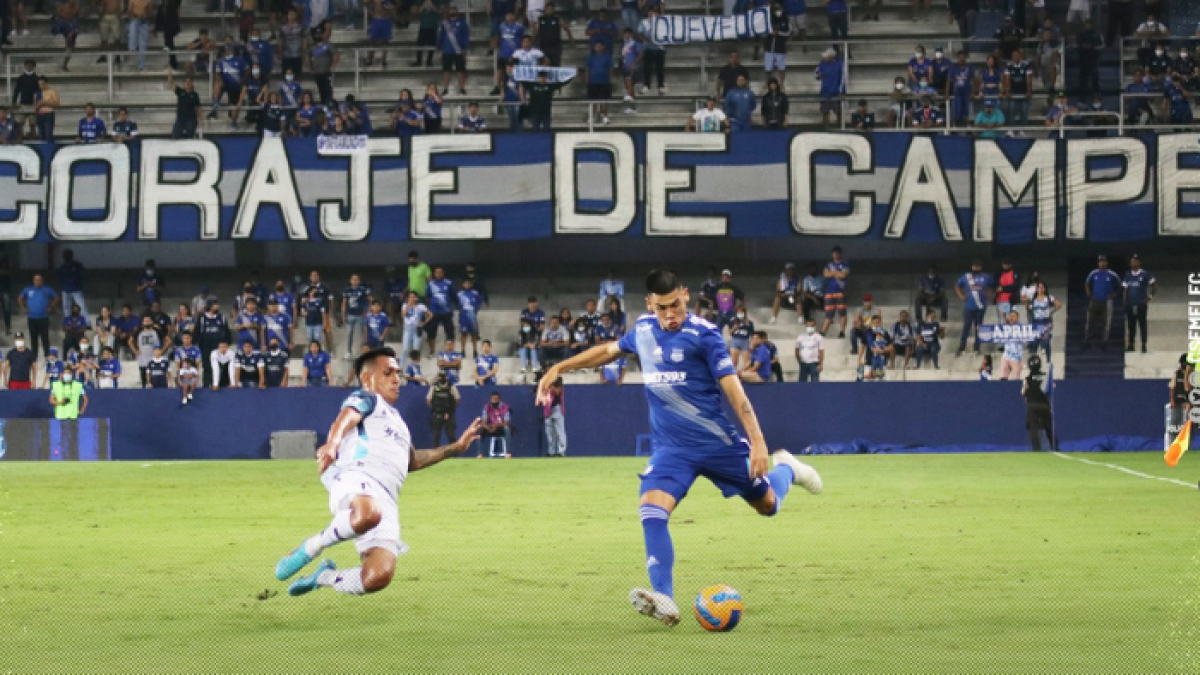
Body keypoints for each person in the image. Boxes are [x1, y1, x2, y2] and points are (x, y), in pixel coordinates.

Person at [536, 269, 821, 626]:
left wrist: (758, 441)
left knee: (767, 505)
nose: (671, 314)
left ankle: (789, 469)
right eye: (662, 308)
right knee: (651, 509)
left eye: (676, 305)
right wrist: (559, 367)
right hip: (672, 449)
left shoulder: (704, 335)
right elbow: (608, 351)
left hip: (716, 444)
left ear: (685, 295)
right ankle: (665, 599)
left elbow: (734, 391)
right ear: (650, 304)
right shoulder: (642, 331)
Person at [274, 347, 483, 597]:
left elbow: (413, 461)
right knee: (368, 513)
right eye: (388, 373)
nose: (396, 379)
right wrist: (333, 443)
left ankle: (324, 577)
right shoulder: (367, 399)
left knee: (377, 576)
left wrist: (455, 448)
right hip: (358, 476)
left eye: (397, 373)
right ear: (367, 378)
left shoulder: (400, 424)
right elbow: (347, 417)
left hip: (388, 498)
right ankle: (312, 547)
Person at [954, 259, 994, 357]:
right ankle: (962, 346)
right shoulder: (966, 276)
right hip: (969, 306)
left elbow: (993, 286)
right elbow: (957, 286)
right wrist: (961, 295)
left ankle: (977, 346)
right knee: (966, 326)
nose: (976, 268)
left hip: (980, 306)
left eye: (978, 266)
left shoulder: (986, 277)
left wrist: (989, 293)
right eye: (974, 266)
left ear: (981, 267)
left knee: (979, 327)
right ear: (972, 267)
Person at [1083, 254, 1121, 351]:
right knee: (1090, 321)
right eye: (1100, 262)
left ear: (1107, 263)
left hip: (1107, 301)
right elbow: (1087, 283)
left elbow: (1119, 284)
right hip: (1095, 300)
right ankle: (1087, 341)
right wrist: (1089, 293)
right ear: (1098, 263)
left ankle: (1104, 342)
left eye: (1103, 261)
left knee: (1106, 322)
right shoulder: (1093, 273)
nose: (1102, 263)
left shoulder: (1112, 274)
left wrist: (1114, 294)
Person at [19, 273, 58, 359]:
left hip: (43, 318)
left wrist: (51, 306)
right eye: (36, 280)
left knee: (45, 337)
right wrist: (23, 307)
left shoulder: (47, 289)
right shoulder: (28, 289)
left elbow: (56, 297)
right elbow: (20, 298)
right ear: (33, 281)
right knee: (33, 338)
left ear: (42, 280)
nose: (37, 281)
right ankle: (34, 355)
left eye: (39, 279)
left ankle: (47, 355)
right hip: (32, 318)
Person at [1123, 254, 1155, 354]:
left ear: (1139, 262)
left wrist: (1149, 297)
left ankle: (1143, 345)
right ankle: (1131, 345)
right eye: (1131, 261)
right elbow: (1125, 289)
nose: (1132, 263)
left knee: (1142, 324)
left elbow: (1154, 286)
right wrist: (1125, 301)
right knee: (1131, 325)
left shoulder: (1145, 274)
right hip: (1130, 304)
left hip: (1141, 304)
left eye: (1135, 261)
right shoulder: (1128, 275)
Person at [1022, 354, 1054, 451]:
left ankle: (1037, 449)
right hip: (1045, 405)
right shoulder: (1046, 377)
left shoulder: (1028, 378)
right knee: (1049, 428)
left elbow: (1023, 392)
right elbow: (1052, 388)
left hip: (1032, 405)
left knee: (1033, 428)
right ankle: (1055, 447)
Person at [820, 246, 849, 337]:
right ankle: (823, 332)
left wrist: (832, 273)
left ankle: (842, 332)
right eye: (834, 253)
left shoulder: (844, 264)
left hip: (840, 292)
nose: (835, 255)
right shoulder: (828, 265)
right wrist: (837, 273)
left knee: (842, 313)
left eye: (837, 253)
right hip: (829, 292)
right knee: (828, 314)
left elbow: (843, 275)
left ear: (840, 254)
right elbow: (825, 274)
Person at [427, 370, 460, 445]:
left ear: (447, 377)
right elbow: (428, 400)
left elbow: (457, 399)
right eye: (440, 376)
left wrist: (450, 411)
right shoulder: (434, 387)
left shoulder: (451, 387)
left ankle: (453, 451)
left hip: (449, 415)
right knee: (436, 436)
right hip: (437, 415)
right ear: (438, 377)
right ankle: (436, 451)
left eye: (444, 376)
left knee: (451, 436)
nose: (442, 378)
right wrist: (435, 410)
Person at [479, 391, 512, 458]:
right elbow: (483, 422)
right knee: (480, 429)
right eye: (492, 399)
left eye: (496, 400)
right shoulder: (487, 407)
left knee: (507, 428)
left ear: (499, 400)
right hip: (491, 428)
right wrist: (488, 428)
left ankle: (508, 453)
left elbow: (507, 422)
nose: (494, 401)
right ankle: (480, 453)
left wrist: (496, 425)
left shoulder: (505, 407)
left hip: (501, 429)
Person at [541, 375, 566, 456]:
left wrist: (553, 387)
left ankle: (561, 451)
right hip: (547, 409)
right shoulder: (545, 383)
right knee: (549, 433)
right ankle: (551, 452)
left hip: (557, 408)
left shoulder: (558, 379)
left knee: (559, 431)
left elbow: (557, 392)